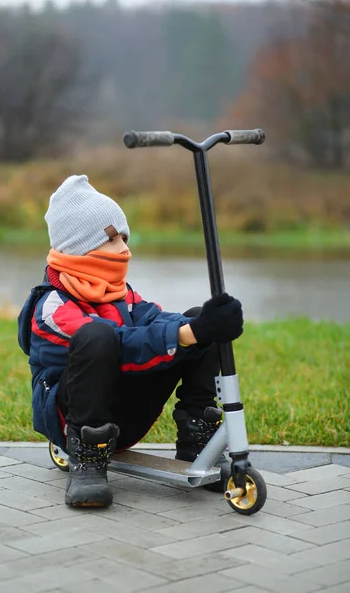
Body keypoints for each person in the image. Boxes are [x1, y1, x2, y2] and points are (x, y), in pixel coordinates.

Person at [18, 174, 244, 508]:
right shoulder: (52, 307)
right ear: (80, 247)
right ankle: (88, 459)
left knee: (196, 321)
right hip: (72, 418)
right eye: (112, 240)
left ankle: (197, 438)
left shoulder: (121, 295)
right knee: (98, 336)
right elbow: (120, 345)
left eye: (125, 238)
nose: (125, 249)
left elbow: (156, 321)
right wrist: (186, 334)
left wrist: (204, 326)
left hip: (125, 412)